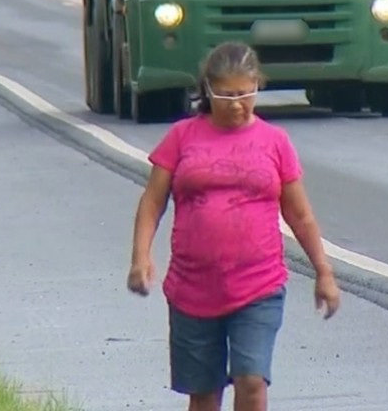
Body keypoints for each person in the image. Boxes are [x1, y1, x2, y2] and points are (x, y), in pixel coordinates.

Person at [127, 41, 341, 411]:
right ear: (207, 90)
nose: (237, 104)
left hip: (258, 285)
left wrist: (324, 272)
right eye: (226, 96)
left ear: (258, 85)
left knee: (251, 381)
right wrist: (140, 257)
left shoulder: (275, 142)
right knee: (204, 394)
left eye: (245, 93)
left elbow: (300, 215)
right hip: (192, 288)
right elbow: (152, 202)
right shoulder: (182, 136)